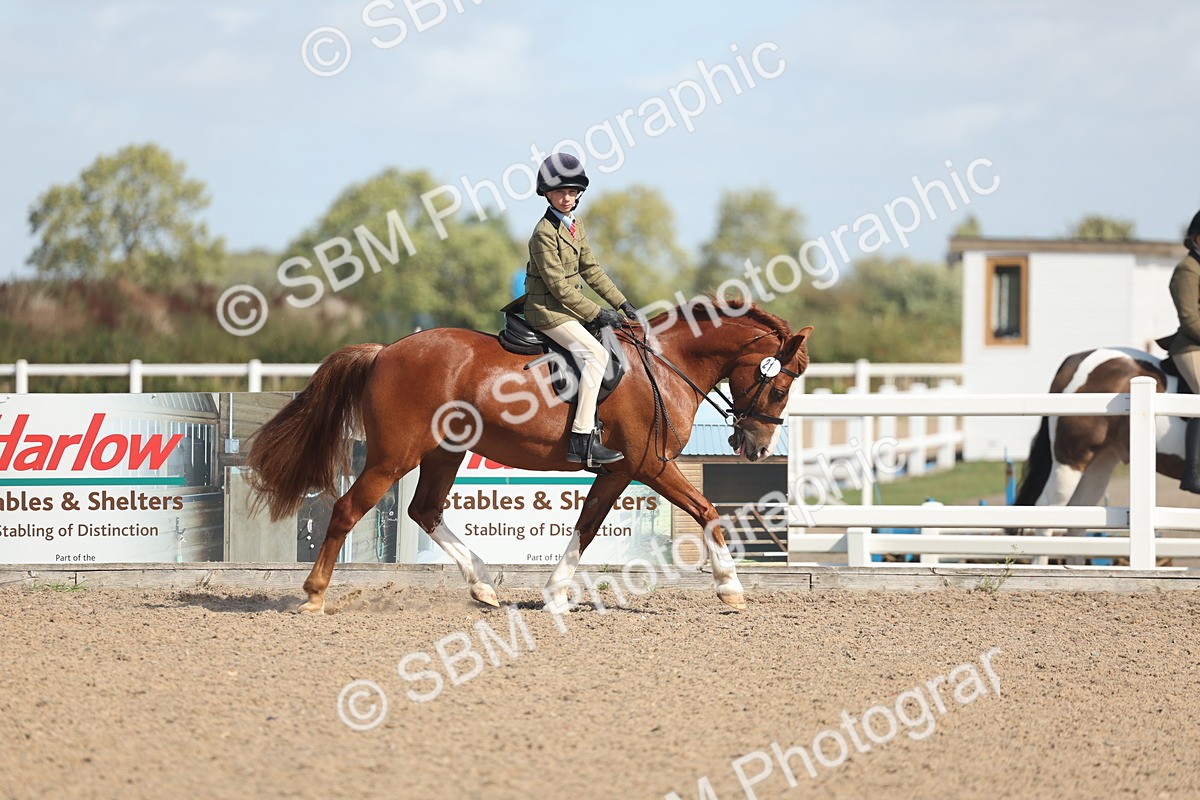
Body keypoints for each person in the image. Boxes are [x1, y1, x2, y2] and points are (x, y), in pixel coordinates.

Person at [524, 153, 638, 467]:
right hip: (547, 311)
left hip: (568, 308)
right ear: (546, 193)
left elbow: (591, 269)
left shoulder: (576, 224)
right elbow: (559, 287)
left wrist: (622, 303)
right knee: (595, 355)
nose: (567, 198)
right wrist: (597, 313)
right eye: (561, 192)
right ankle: (582, 439)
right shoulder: (543, 234)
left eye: (573, 192)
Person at [1167, 209, 1200, 492]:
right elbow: (1190, 319)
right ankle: (1194, 472)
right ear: (1197, 239)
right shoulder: (1187, 269)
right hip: (1191, 345)